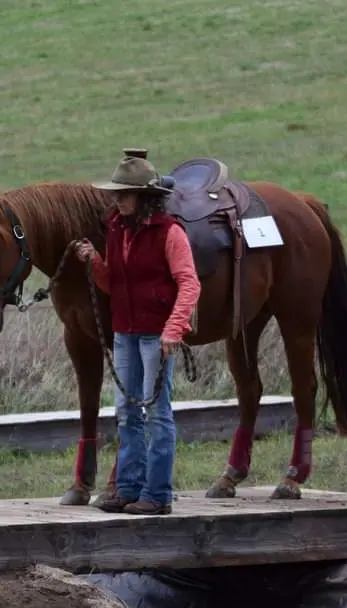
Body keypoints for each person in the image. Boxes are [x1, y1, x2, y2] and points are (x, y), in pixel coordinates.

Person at [75, 150, 201, 516]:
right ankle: (128, 489)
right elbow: (114, 282)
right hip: (124, 333)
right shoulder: (116, 228)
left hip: (154, 335)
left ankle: (158, 494)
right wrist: (95, 263)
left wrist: (174, 329)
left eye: (124, 193)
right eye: (116, 193)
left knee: (157, 414)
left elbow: (189, 284)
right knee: (127, 412)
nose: (117, 199)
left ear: (144, 196)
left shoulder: (170, 233)